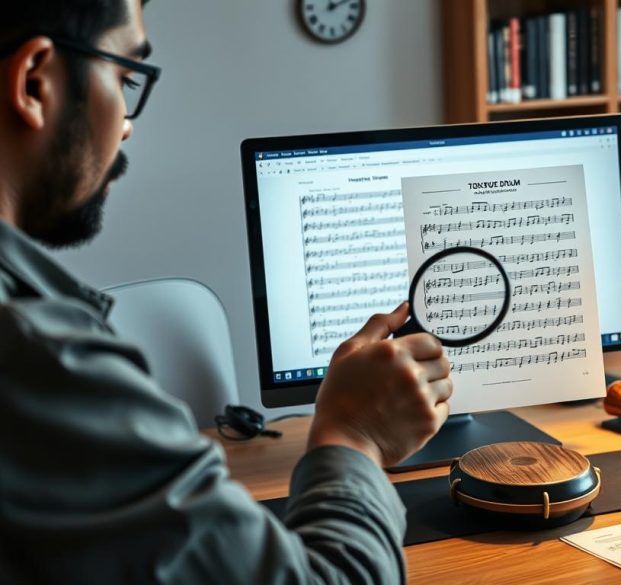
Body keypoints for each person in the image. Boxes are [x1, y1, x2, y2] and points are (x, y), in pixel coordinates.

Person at [0, 1, 453, 582]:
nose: (128, 122)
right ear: (35, 81)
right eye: (123, 76)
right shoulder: (40, 361)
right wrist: (353, 435)